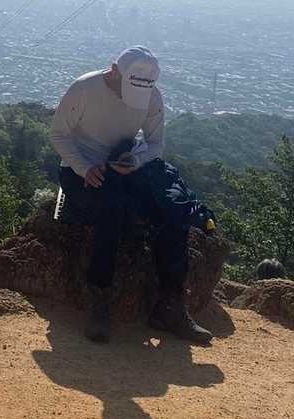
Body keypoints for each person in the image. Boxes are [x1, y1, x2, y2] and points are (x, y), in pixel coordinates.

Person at [49, 46, 213, 346]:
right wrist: (84, 168)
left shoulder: (151, 96)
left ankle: (170, 305)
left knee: (172, 211)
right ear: (114, 70)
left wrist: (135, 161)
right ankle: (99, 298)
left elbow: (155, 144)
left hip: (126, 165)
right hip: (80, 168)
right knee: (111, 209)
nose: (132, 98)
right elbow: (59, 134)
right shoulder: (84, 89)